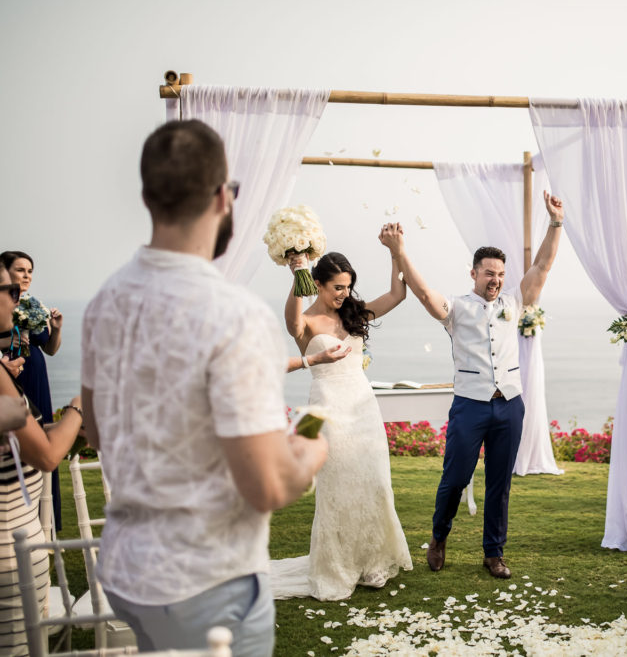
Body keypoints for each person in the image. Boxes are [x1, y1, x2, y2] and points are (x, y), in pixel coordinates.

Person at [80, 120, 328, 656]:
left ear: (147, 197)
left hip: (126, 572)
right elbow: (267, 486)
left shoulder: (105, 300)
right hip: (209, 583)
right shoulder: (234, 314)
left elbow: (96, 432)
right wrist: (311, 446)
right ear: (223, 196)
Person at [390, 191, 565, 579]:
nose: (496, 280)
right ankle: (439, 537)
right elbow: (421, 292)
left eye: (500, 274)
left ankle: (493, 553)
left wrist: (555, 223)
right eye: (489, 273)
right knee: (454, 478)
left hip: (510, 405)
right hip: (470, 406)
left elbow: (543, 266)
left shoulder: (515, 302)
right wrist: (400, 252)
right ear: (474, 273)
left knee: (500, 484)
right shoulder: (456, 308)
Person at [275, 231, 412, 600]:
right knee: (338, 489)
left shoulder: (354, 313)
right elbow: (292, 321)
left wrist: (394, 253)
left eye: (348, 287)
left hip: (363, 407)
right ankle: (337, 565)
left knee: (375, 483)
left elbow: (398, 295)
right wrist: (297, 276)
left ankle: (371, 562)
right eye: (336, 287)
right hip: (328, 409)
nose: (343, 294)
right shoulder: (304, 321)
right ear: (317, 284)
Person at [0, 264, 84, 656]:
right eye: (9, 290)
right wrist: (79, 411)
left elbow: (15, 437)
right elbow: (45, 456)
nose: (17, 297)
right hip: (10, 546)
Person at [0, 251, 66, 529]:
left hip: (37, 380)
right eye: (20, 270)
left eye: (30, 271)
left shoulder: (31, 304)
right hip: (12, 382)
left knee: (44, 437)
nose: (27, 276)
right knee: (19, 447)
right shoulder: (2, 307)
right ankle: (20, 524)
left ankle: (47, 524)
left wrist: (57, 329)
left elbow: (49, 348)